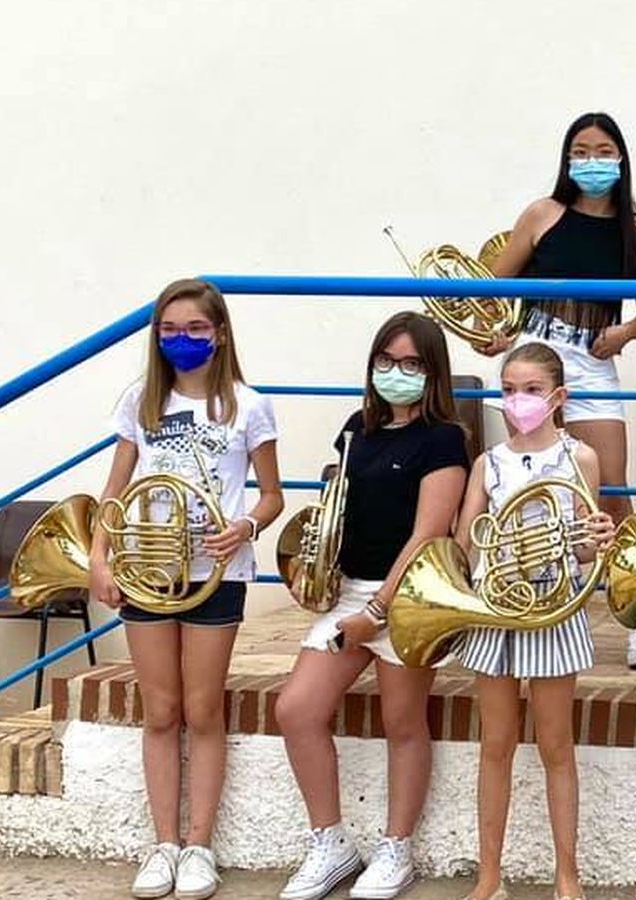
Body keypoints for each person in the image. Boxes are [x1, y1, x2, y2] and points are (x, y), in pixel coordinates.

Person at [93, 278, 283, 900]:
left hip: (215, 573)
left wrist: (245, 525)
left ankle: (199, 847)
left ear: (219, 333)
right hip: (151, 567)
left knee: (202, 711)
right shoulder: (140, 403)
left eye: (195, 329)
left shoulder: (248, 406)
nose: (181, 339)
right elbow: (116, 490)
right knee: (160, 713)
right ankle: (163, 845)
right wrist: (100, 558)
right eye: (169, 330)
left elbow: (273, 495)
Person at [274, 312, 470, 900]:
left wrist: (377, 614)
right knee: (296, 710)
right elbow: (337, 509)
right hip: (351, 590)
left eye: (411, 364)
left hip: (408, 597)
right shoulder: (356, 427)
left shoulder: (444, 439)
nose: (397, 373)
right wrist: (319, 572)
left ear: (431, 370)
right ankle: (330, 844)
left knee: (403, 722)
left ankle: (395, 849)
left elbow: (428, 536)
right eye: (386, 361)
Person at [489, 111, 636, 669]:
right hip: (536, 350)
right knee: (527, 477)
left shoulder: (635, 228)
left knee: (610, 487)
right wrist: (496, 330)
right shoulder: (542, 214)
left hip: (591, 360)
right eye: (581, 151)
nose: (592, 161)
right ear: (567, 159)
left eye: (603, 150)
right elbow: (494, 287)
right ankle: (525, 594)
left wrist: (623, 335)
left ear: (622, 158)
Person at [453, 342, 618, 900]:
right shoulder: (488, 463)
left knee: (555, 745)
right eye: (508, 389)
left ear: (558, 397)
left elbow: (584, 548)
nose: (517, 400)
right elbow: (464, 543)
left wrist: (598, 541)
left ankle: (566, 876)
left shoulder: (580, 459)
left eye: (530, 390)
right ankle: (489, 875)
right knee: (494, 744)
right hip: (497, 605)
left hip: (553, 605)